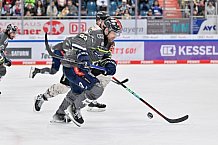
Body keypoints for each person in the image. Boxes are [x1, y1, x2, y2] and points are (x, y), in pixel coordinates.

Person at [33, 12, 111, 112]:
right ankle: (42, 97)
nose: (106, 23)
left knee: (92, 83)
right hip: (73, 60)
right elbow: (80, 46)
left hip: (81, 60)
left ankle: (90, 101)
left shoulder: (103, 34)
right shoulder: (95, 31)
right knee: (65, 86)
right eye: (105, 20)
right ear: (99, 20)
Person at [52, 17, 122, 127]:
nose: (115, 36)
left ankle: (59, 115)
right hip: (73, 67)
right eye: (114, 33)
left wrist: (110, 64)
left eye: (117, 34)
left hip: (79, 69)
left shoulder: (109, 43)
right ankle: (74, 108)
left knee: (77, 91)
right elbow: (78, 39)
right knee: (96, 89)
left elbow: (105, 57)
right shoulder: (96, 34)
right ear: (107, 30)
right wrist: (82, 55)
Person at [0, 24, 17, 93]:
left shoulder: (4, 36)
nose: (14, 35)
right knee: (2, 70)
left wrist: (5, 58)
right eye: (13, 33)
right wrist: (5, 59)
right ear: (9, 31)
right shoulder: (4, 38)